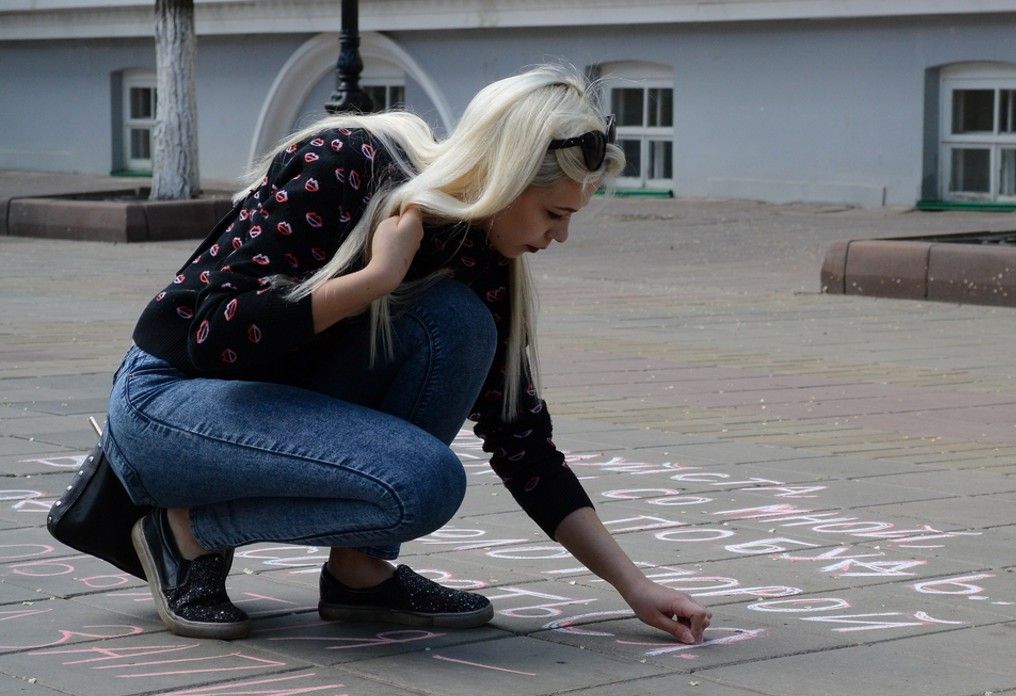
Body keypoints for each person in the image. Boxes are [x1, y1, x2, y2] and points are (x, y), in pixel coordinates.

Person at [46, 65, 710, 646]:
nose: (560, 236)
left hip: (261, 411)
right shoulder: (350, 165)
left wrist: (635, 586)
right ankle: (182, 534)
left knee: (460, 323)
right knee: (426, 481)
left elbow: (521, 440)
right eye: (553, 213)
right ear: (504, 179)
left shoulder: (483, 257)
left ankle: (359, 574)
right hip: (167, 407)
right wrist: (371, 282)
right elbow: (199, 333)